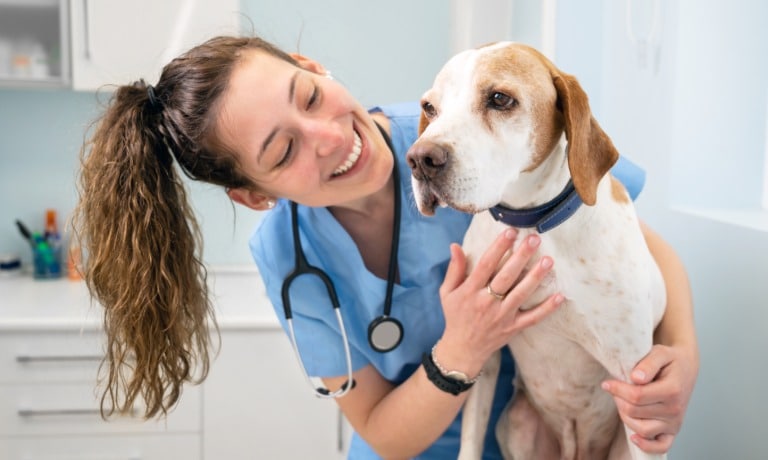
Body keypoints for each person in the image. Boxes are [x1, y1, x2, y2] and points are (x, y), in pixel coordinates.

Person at [74, 35, 699, 459]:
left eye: (310, 96)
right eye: (283, 151)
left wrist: (683, 354)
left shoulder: (446, 140)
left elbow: (631, 244)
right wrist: (464, 345)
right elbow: (381, 433)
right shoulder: (288, 256)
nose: (326, 136)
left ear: (313, 66)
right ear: (254, 195)